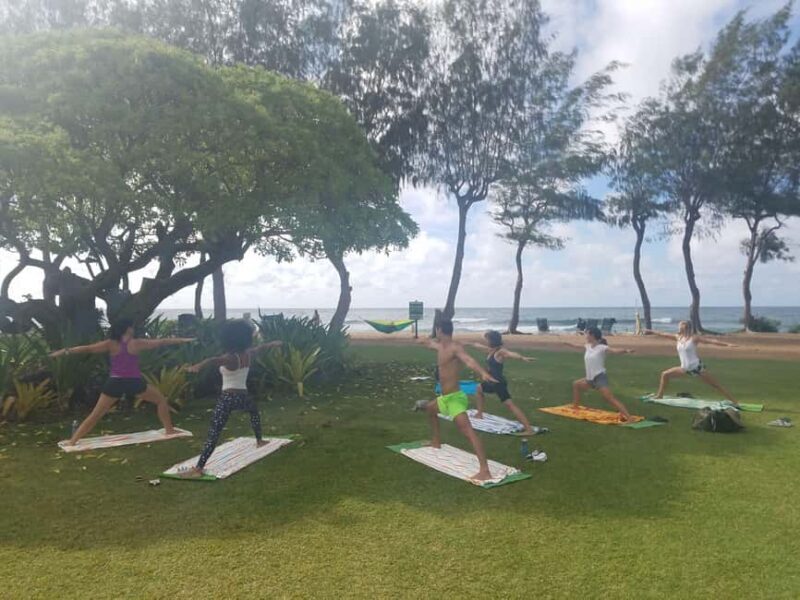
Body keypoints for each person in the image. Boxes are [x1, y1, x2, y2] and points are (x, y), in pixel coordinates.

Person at [49, 318, 194, 445]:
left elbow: (87, 349)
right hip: (134, 382)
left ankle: (73, 441)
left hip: (115, 383)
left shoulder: (110, 344)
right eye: (131, 326)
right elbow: (162, 342)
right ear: (127, 328)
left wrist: (63, 351)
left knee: (96, 414)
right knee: (161, 401)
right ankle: (169, 430)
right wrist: (184, 340)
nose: (133, 328)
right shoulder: (137, 343)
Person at [175, 319, 282, 478]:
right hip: (243, 396)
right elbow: (261, 347)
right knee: (254, 412)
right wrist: (273, 343)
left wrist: (197, 366)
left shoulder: (230, 358)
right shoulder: (248, 354)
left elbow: (212, 360)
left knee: (214, 433)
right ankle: (259, 440)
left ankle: (199, 468)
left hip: (228, 398)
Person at [418, 319, 498, 481]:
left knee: (468, 433)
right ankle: (436, 441)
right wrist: (424, 339)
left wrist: (482, 373)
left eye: (436, 330)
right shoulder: (440, 346)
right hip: (444, 398)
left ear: (440, 330)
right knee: (430, 409)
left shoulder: (455, 348)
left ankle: (485, 470)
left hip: (455, 398)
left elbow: (469, 360)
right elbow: (425, 343)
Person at [646, 321, 738, 405]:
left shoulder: (694, 338)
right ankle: (660, 396)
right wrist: (652, 331)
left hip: (697, 367)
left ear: (685, 328)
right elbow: (663, 334)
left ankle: (734, 402)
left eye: (680, 326)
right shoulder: (678, 337)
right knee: (665, 374)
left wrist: (728, 345)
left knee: (715, 385)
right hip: (684, 368)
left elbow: (711, 341)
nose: (678, 328)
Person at [466, 330, 538, 435]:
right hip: (493, 382)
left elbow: (511, 354)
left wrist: (522, 358)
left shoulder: (500, 352)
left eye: (487, 339)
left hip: (497, 383)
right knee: (479, 388)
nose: (485, 341)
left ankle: (529, 429)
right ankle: (479, 413)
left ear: (492, 340)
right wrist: (468, 343)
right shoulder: (491, 350)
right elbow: (478, 346)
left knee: (510, 405)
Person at [562, 326, 634, 422]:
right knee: (576, 384)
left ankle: (629, 418)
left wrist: (626, 350)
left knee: (610, 398)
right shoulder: (587, 346)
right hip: (589, 379)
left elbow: (614, 351)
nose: (586, 336)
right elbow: (576, 346)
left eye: (587, 334)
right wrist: (567, 343)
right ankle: (575, 407)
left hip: (599, 378)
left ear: (592, 335)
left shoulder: (602, 348)